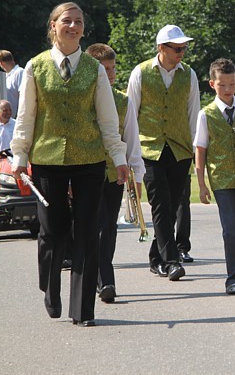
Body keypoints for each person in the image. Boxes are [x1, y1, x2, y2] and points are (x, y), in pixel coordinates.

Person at [11, 2, 128, 326]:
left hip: (89, 158)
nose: (73, 26)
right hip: (47, 159)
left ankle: (83, 309)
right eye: (67, 21)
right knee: (53, 229)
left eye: (78, 22)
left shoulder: (93, 70)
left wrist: (118, 158)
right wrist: (20, 156)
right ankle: (50, 286)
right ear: (53, 26)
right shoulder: (36, 67)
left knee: (89, 232)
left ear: (83, 29)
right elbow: (26, 117)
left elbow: (107, 119)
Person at [127, 24, 200, 281]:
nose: (182, 51)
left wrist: (194, 150)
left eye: (184, 47)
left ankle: (155, 257)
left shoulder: (189, 75)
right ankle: (171, 261)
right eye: (177, 48)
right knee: (160, 204)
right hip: (149, 148)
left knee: (170, 208)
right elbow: (131, 114)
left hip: (180, 149)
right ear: (161, 48)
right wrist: (131, 153)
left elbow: (194, 114)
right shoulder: (141, 72)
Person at [84, 43, 145, 304]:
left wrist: (137, 175)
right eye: (105, 69)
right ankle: (105, 280)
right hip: (86, 170)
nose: (110, 74)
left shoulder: (123, 101)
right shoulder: (82, 98)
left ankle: (102, 277)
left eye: (113, 68)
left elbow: (132, 139)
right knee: (96, 225)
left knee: (109, 227)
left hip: (114, 172)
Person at [195, 58, 235, 295]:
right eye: (222, 85)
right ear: (212, 84)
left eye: (231, 84)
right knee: (230, 229)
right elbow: (200, 149)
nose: (228, 89)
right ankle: (234, 278)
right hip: (221, 180)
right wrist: (201, 185)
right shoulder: (206, 114)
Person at [0, 50, 25, 118]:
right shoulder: (4, 77)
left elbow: (23, 94)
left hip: (16, 119)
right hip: (4, 120)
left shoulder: (19, 72)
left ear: (1, 62)